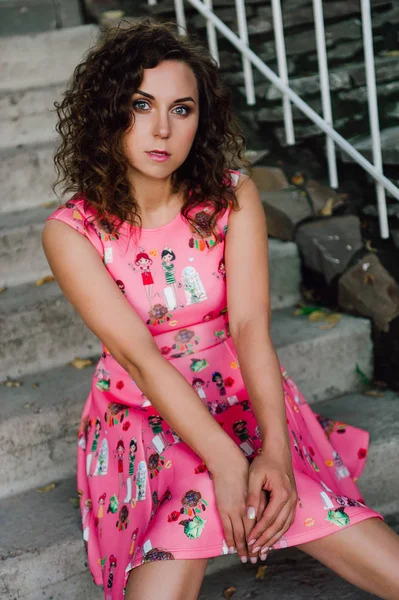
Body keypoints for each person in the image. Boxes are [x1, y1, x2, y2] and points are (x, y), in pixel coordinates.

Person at [42, 18, 399, 600]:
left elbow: (250, 326)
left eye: (182, 109)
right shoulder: (73, 232)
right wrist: (229, 464)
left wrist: (276, 458)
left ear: (200, 119)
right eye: (140, 104)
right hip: (141, 408)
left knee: (283, 491)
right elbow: (137, 359)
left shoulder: (232, 197)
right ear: (108, 112)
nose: (162, 129)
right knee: (204, 479)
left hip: (239, 390)